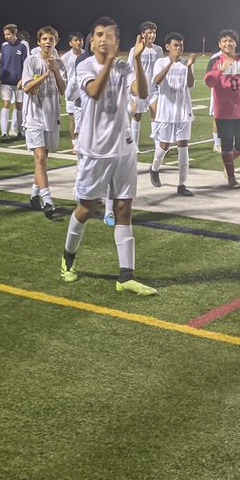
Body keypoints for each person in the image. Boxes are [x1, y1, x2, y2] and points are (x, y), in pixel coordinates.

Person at [61, 17, 157, 296]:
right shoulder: (85, 66)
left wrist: (136, 61)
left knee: (124, 209)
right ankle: (68, 257)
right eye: (99, 35)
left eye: (110, 35)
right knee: (87, 208)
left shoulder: (124, 66)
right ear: (92, 41)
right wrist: (111, 61)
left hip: (124, 148)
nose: (104, 39)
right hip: (95, 151)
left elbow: (142, 93)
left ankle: (126, 275)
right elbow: (93, 91)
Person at [19, 26, 68, 219]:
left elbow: (63, 89)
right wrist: (45, 75)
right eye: (45, 39)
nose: (48, 42)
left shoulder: (60, 63)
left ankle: (34, 192)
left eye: (51, 39)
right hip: (34, 116)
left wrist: (55, 71)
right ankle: (48, 201)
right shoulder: (31, 61)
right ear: (39, 42)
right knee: (39, 158)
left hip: (51, 114)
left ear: (56, 41)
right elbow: (26, 87)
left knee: (43, 159)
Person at [204, 29, 240, 188]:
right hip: (223, 112)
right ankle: (231, 177)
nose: (228, 43)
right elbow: (209, 82)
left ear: (236, 43)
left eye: (231, 40)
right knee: (226, 145)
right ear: (220, 44)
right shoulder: (215, 61)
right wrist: (220, 69)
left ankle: (228, 163)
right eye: (224, 41)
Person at [147, 32, 197, 196]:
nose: (179, 48)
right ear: (168, 47)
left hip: (183, 111)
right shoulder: (161, 62)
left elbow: (190, 84)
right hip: (166, 111)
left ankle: (182, 184)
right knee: (164, 145)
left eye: (181, 45)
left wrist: (189, 66)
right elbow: (156, 81)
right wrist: (171, 63)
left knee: (183, 147)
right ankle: (154, 168)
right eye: (176, 45)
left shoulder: (186, 63)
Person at [131, 21, 164, 146]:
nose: (152, 35)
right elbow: (130, 69)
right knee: (137, 115)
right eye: (149, 32)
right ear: (142, 34)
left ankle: (157, 146)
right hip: (139, 90)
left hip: (154, 90)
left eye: (154, 32)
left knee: (155, 116)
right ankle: (134, 145)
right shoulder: (134, 50)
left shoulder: (158, 50)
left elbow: (160, 69)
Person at [0, 23, 29, 140]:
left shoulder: (23, 45)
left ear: (14, 33)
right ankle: (4, 133)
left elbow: (26, 64)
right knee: (5, 104)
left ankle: (21, 131)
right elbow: (2, 64)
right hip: (6, 82)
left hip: (18, 82)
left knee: (19, 105)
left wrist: (23, 79)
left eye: (8, 34)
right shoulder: (4, 46)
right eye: (5, 34)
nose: (6, 36)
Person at [60, 31, 85, 140]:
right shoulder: (65, 58)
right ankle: (74, 143)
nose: (79, 42)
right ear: (70, 43)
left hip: (85, 91)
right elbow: (62, 75)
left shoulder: (86, 54)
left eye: (80, 40)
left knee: (86, 117)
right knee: (73, 118)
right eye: (76, 40)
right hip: (72, 91)